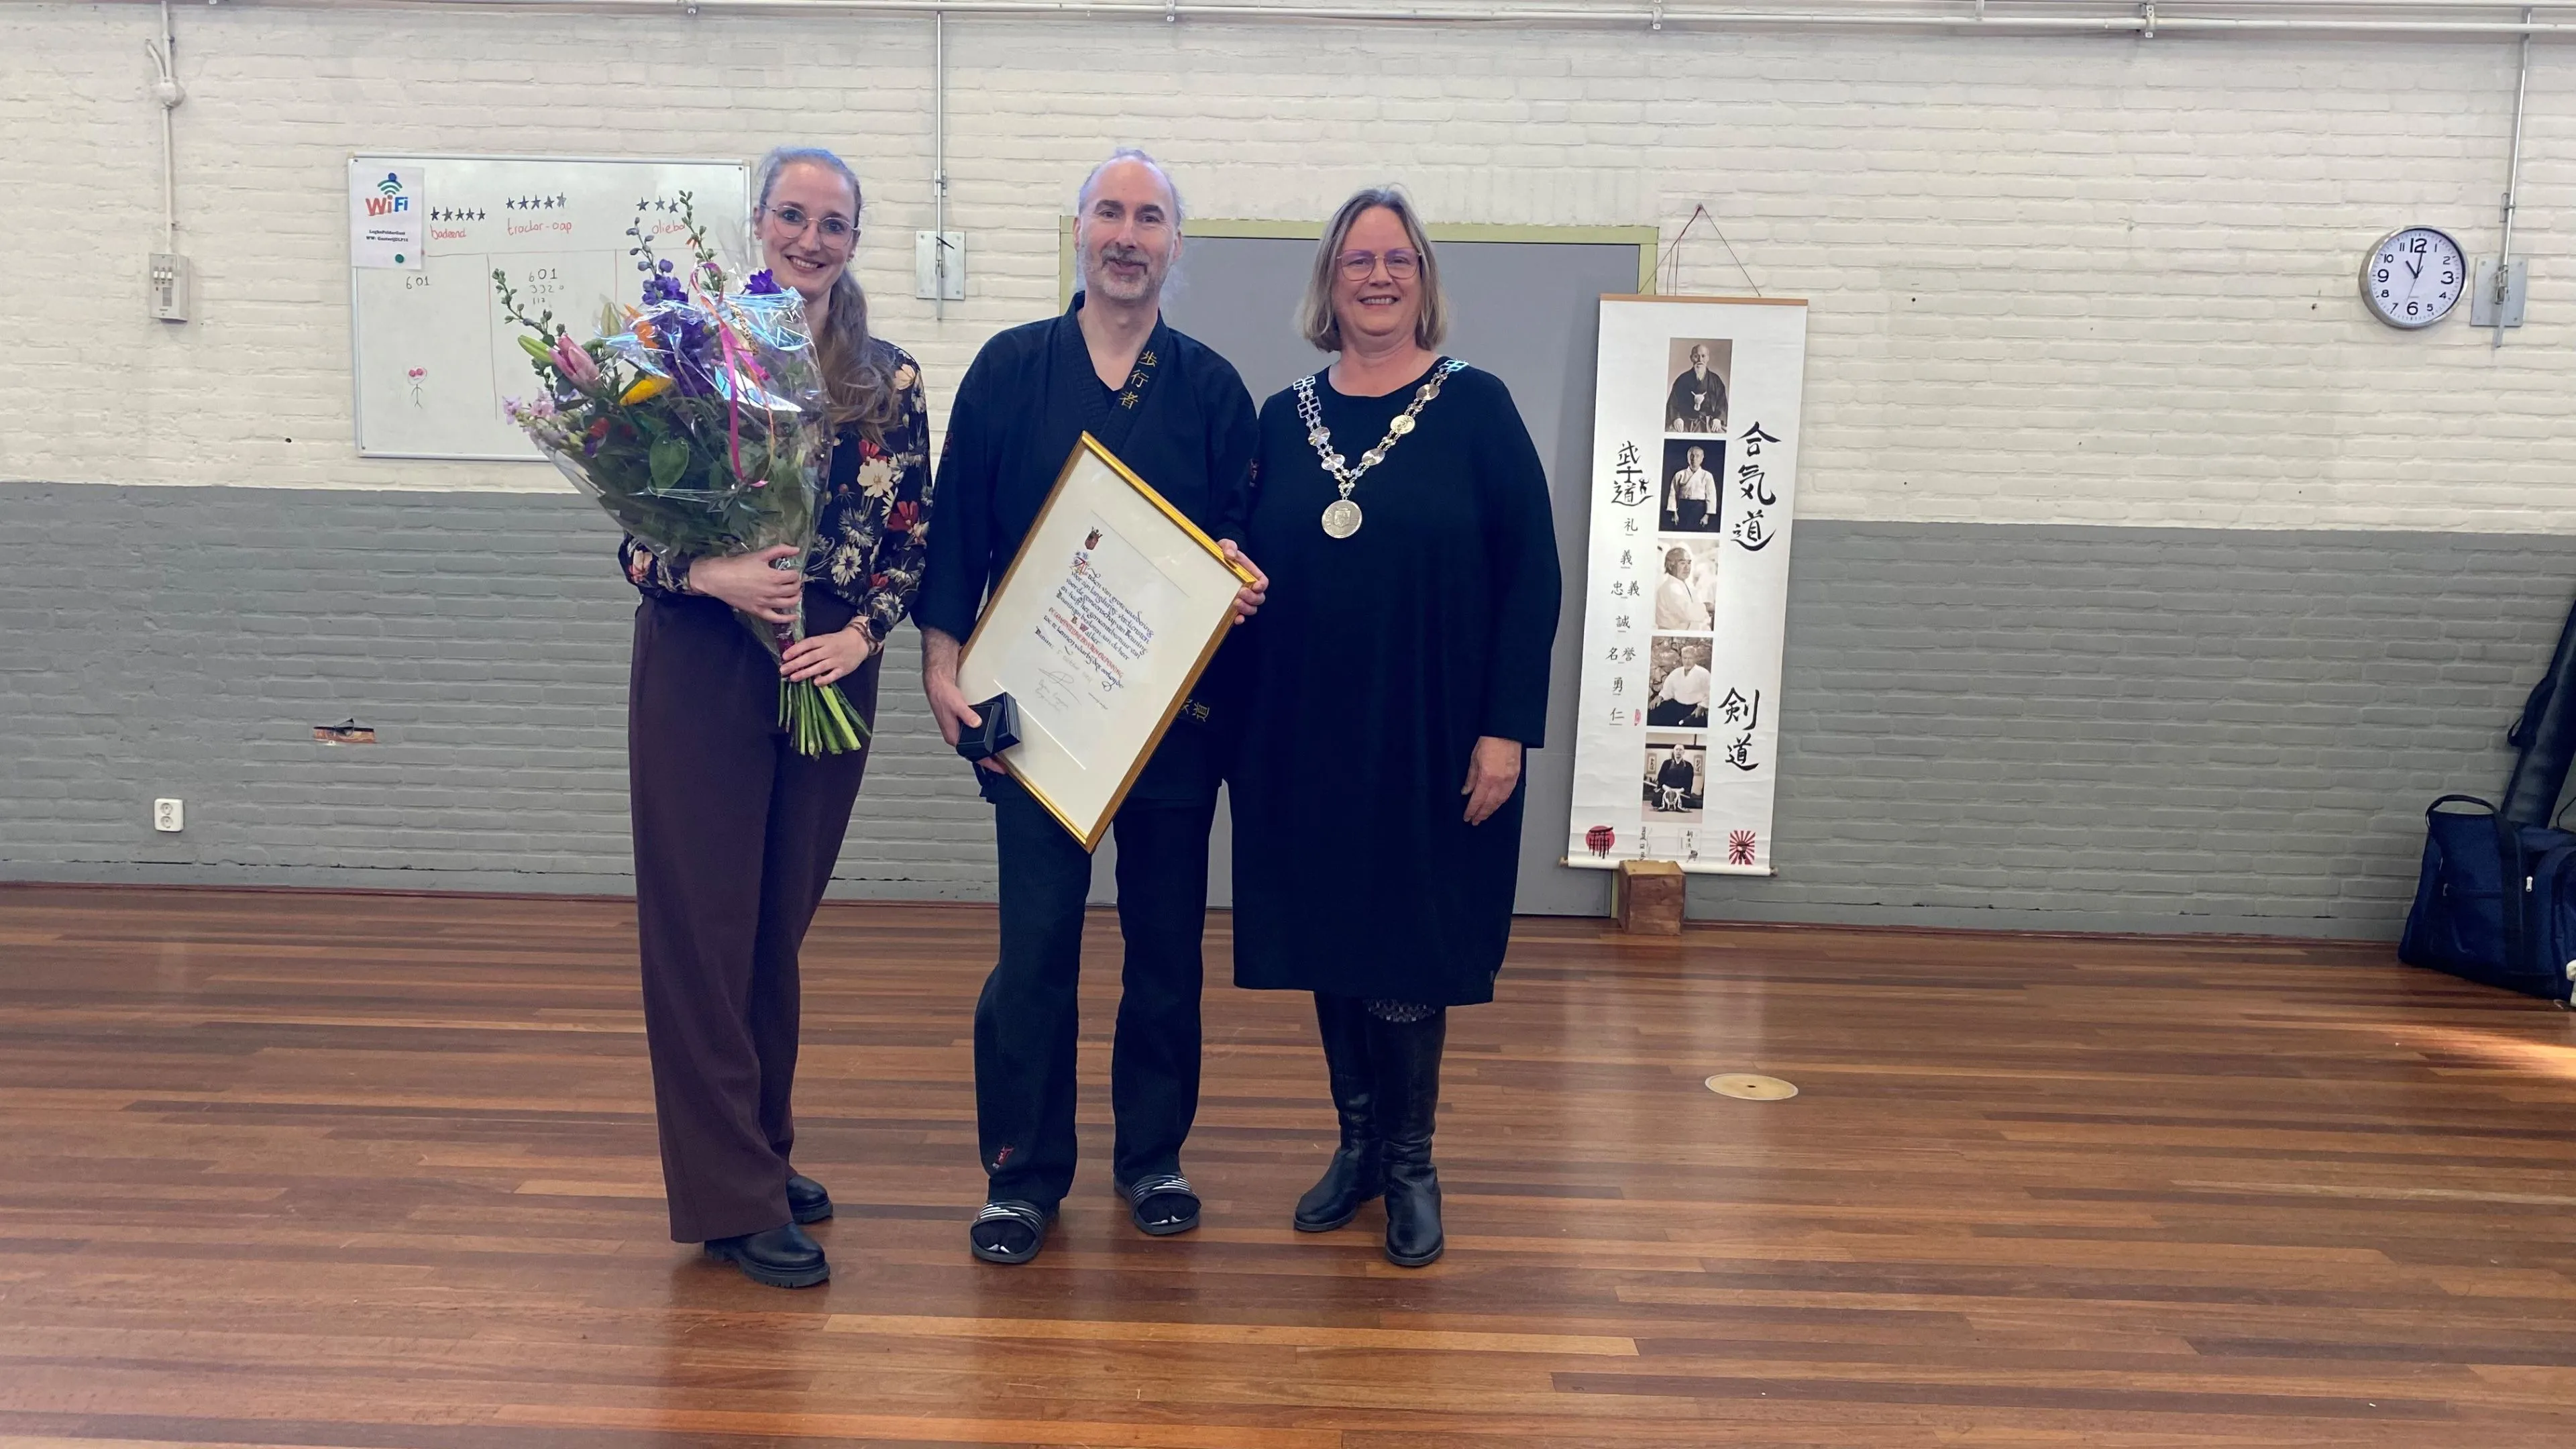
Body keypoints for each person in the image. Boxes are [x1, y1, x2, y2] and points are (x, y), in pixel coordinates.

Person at [918, 148, 1268, 1266]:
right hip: (1031, 714)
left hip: (1172, 723)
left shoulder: (1213, 390)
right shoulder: (1010, 371)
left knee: (1165, 947)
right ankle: (1022, 1173)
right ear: (1079, 231)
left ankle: (1152, 1156)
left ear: (1176, 244)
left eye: (1150, 217)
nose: (1128, 234)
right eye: (1109, 213)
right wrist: (939, 665)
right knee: (1036, 949)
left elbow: (1240, 550)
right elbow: (955, 535)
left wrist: (1239, 574)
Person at [600, 147, 932, 1288]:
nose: (810, 238)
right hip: (705, 652)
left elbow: (911, 538)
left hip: (826, 656)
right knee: (703, 929)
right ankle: (730, 1199)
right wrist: (714, 578)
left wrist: (865, 633)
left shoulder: (888, 379)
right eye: (792, 216)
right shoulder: (686, 362)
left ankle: (760, 1145)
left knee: (773, 924)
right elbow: (635, 541)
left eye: (832, 222)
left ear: (855, 238)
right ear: (759, 224)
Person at [1228, 186, 1562, 1269]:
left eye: (1398, 261)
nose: (1378, 277)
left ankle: (1413, 1160)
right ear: (1329, 280)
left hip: (1430, 736)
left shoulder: (1478, 407)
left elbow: (1534, 577)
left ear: (1423, 280)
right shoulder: (1282, 419)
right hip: (1306, 735)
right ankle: (1358, 1147)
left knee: (1408, 945)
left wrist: (1506, 728)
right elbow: (1232, 558)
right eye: (1358, 260)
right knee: (1335, 939)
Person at [1666, 343, 1726, 433]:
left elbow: (1722, 403)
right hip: (1686, 421)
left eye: (1703, 356)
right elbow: (1673, 403)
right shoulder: (1682, 379)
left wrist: (1718, 418)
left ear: (1708, 358)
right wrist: (1677, 418)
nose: (1700, 360)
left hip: (1710, 422)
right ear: (1691, 358)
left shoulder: (1716, 380)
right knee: (1671, 432)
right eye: (1696, 356)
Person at [1650, 642, 1712, 727]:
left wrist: (1702, 707)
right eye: (1685, 658)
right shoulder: (1676, 672)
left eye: (1690, 658)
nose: (1687, 661)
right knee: (1653, 714)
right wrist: (1660, 697)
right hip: (1676, 706)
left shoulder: (1704, 674)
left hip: (1694, 709)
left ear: (1695, 659)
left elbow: (1710, 694)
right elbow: (1667, 691)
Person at [1664, 443, 1716, 531]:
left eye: (1697, 456)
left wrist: (1707, 516)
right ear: (1688, 458)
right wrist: (1674, 514)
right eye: (1691, 456)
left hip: (1700, 509)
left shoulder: (1707, 475)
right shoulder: (1680, 474)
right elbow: (1673, 494)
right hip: (1683, 508)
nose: (1694, 459)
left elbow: (1711, 496)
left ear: (1702, 458)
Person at [1652, 545, 1703, 631]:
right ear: (1670, 566)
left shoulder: (1683, 585)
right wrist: (1706, 607)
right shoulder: (1671, 587)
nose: (1687, 567)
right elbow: (1688, 613)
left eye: (1689, 563)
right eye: (1682, 563)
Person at [1653, 745, 1697, 813]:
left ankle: (1671, 804)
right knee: (1656, 801)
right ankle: (1672, 804)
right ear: (1674, 751)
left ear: (1683, 752)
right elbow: (1661, 778)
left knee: (1691, 803)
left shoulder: (1688, 766)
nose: (1678, 752)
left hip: (1680, 792)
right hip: (1667, 790)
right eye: (1677, 750)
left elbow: (1689, 782)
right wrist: (1667, 789)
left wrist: (1678, 791)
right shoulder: (1666, 763)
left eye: (1680, 750)